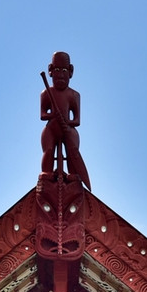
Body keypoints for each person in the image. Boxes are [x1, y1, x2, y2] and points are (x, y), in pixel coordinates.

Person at [40, 51, 90, 190]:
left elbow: (77, 120)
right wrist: (53, 116)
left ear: (70, 71)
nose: (61, 74)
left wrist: (67, 122)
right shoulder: (46, 93)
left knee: (72, 150)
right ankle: (47, 173)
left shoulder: (73, 95)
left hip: (68, 128)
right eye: (57, 70)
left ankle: (74, 174)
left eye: (64, 70)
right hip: (52, 127)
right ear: (50, 71)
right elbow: (43, 114)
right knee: (48, 150)